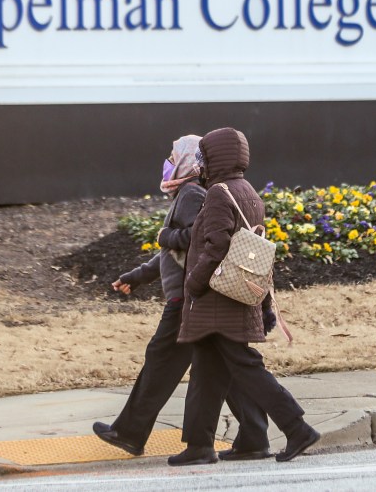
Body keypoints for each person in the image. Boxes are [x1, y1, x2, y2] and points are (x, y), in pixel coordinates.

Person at [93, 134, 272, 461]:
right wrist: (136, 277)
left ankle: (130, 433)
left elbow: (197, 240)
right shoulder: (193, 193)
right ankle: (254, 437)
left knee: (161, 362)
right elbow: (171, 255)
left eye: (173, 156)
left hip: (187, 300)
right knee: (224, 368)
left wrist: (166, 235)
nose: (168, 162)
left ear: (188, 160)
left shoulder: (191, 194)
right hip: (191, 296)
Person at [169, 127, 320, 467]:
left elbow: (217, 245)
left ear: (216, 157)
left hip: (217, 298)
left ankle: (297, 428)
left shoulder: (219, 193)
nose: (200, 162)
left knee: (248, 369)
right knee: (207, 373)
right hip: (235, 297)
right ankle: (199, 445)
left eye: (204, 155)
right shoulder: (248, 191)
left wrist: (194, 283)